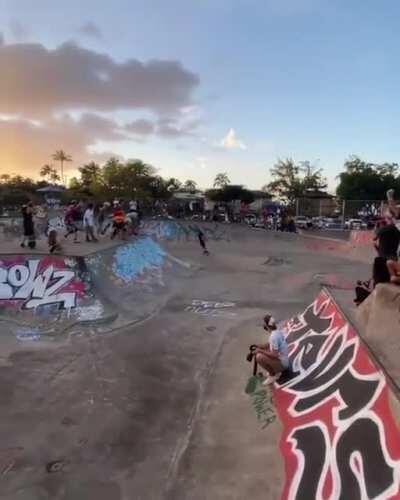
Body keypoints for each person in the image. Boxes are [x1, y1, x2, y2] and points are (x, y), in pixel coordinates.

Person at [254, 314, 290, 385]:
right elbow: (269, 344)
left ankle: (273, 375)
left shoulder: (273, 336)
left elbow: (274, 355)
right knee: (265, 351)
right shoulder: (277, 331)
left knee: (259, 357)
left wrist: (260, 351)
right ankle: (275, 371)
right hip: (284, 361)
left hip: (283, 365)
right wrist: (260, 346)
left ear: (266, 325)